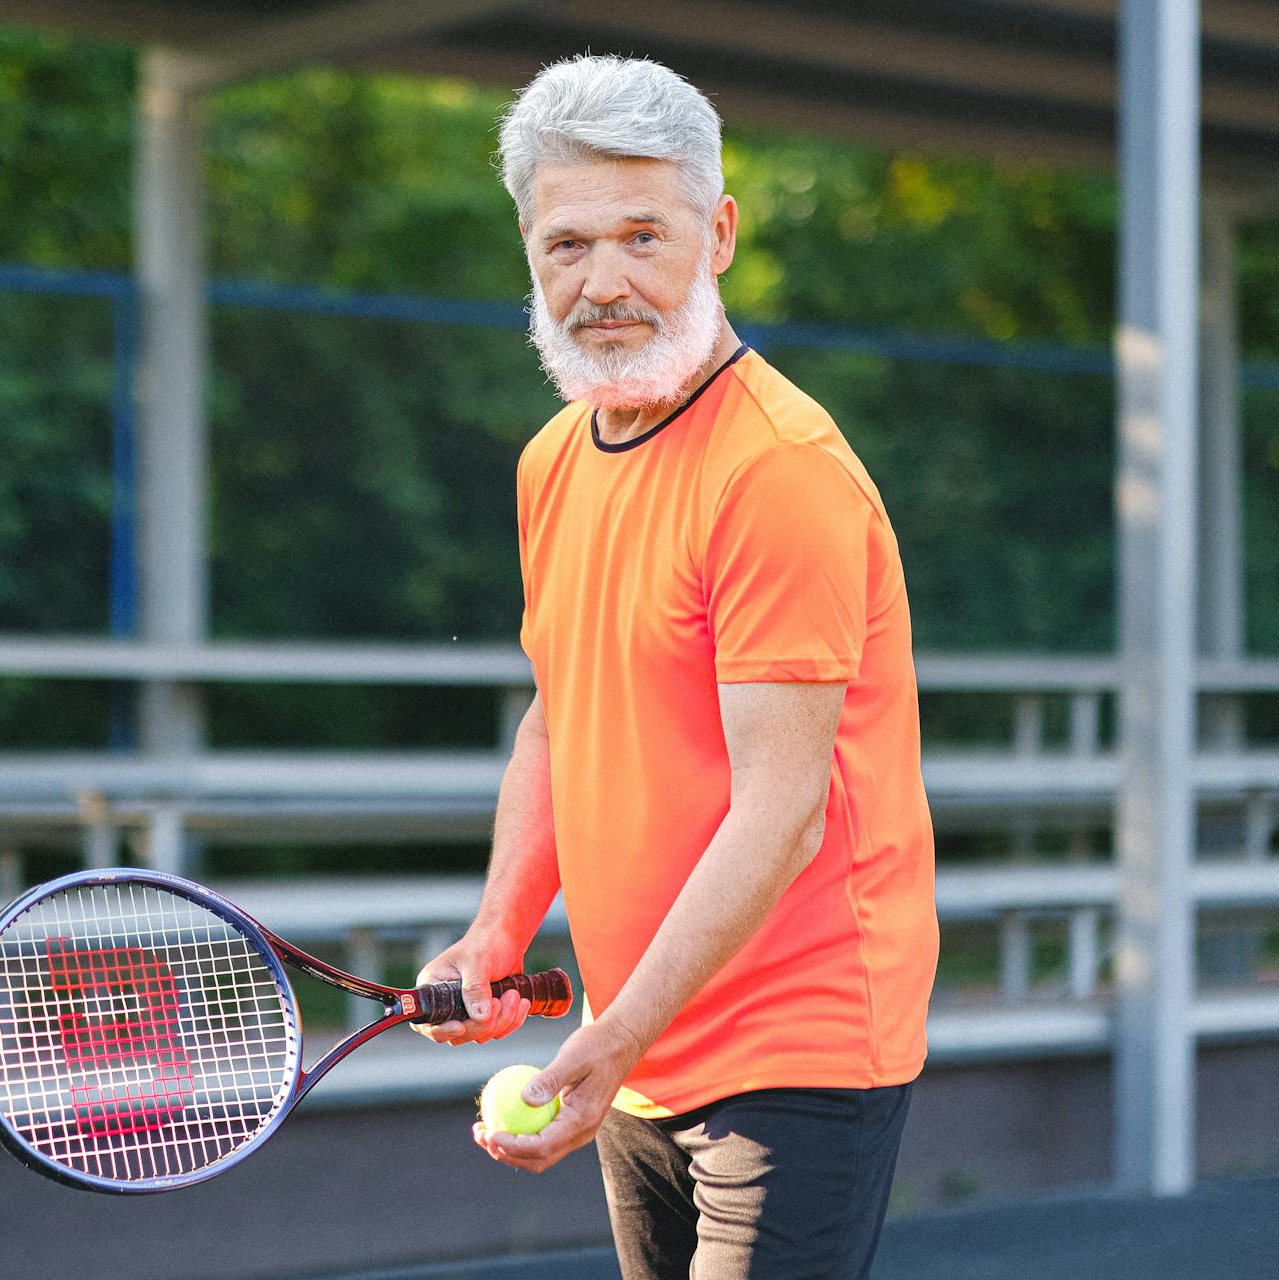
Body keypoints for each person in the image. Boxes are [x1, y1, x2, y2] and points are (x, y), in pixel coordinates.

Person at [413, 55, 939, 1279]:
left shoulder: (779, 471)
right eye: (568, 244)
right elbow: (564, 711)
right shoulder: (554, 458)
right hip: (636, 1030)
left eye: (644, 235)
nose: (604, 281)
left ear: (720, 234)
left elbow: (784, 807)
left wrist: (616, 1031)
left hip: (795, 1036)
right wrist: (501, 925)